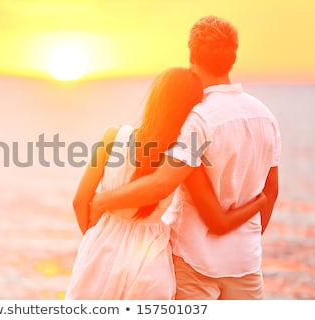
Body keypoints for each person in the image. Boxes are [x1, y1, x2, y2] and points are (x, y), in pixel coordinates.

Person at [89, 15, 281, 300]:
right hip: (245, 265)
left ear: (192, 57)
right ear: (232, 58)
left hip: (194, 265)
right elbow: (271, 189)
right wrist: (248, 240)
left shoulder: (199, 119)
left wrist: (104, 200)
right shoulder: (265, 116)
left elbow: (161, 184)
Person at [65, 67, 267, 300]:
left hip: (102, 249)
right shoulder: (181, 160)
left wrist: (95, 238)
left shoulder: (112, 137)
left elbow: (79, 200)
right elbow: (217, 219)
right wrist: (259, 201)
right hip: (150, 258)